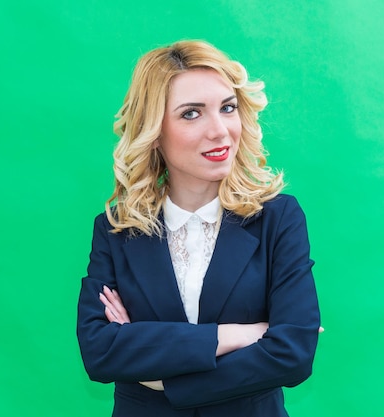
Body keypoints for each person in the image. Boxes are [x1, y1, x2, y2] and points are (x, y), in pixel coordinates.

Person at [76, 40, 321, 417]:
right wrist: (237, 335)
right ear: (154, 132)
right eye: (192, 114)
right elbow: (100, 351)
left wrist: (160, 376)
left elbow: (292, 355)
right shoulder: (117, 231)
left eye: (227, 108)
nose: (220, 131)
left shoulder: (278, 219)